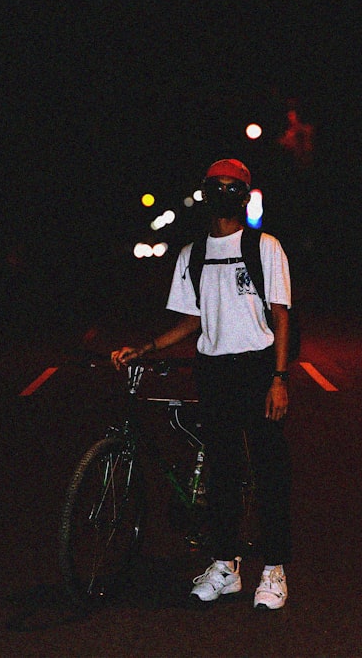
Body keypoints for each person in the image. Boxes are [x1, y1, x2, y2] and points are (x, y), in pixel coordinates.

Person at [111, 159, 293, 610]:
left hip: (257, 367)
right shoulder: (192, 253)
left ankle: (273, 569)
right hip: (213, 371)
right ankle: (225, 566)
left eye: (235, 187)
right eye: (218, 186)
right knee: (224, 472)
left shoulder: (265, 247)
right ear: (207, 192)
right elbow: (191, 319)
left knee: (270, 470)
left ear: (245, 194)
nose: (226, 193)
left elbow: (282, 315)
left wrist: (279, 377)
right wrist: (147, 347)